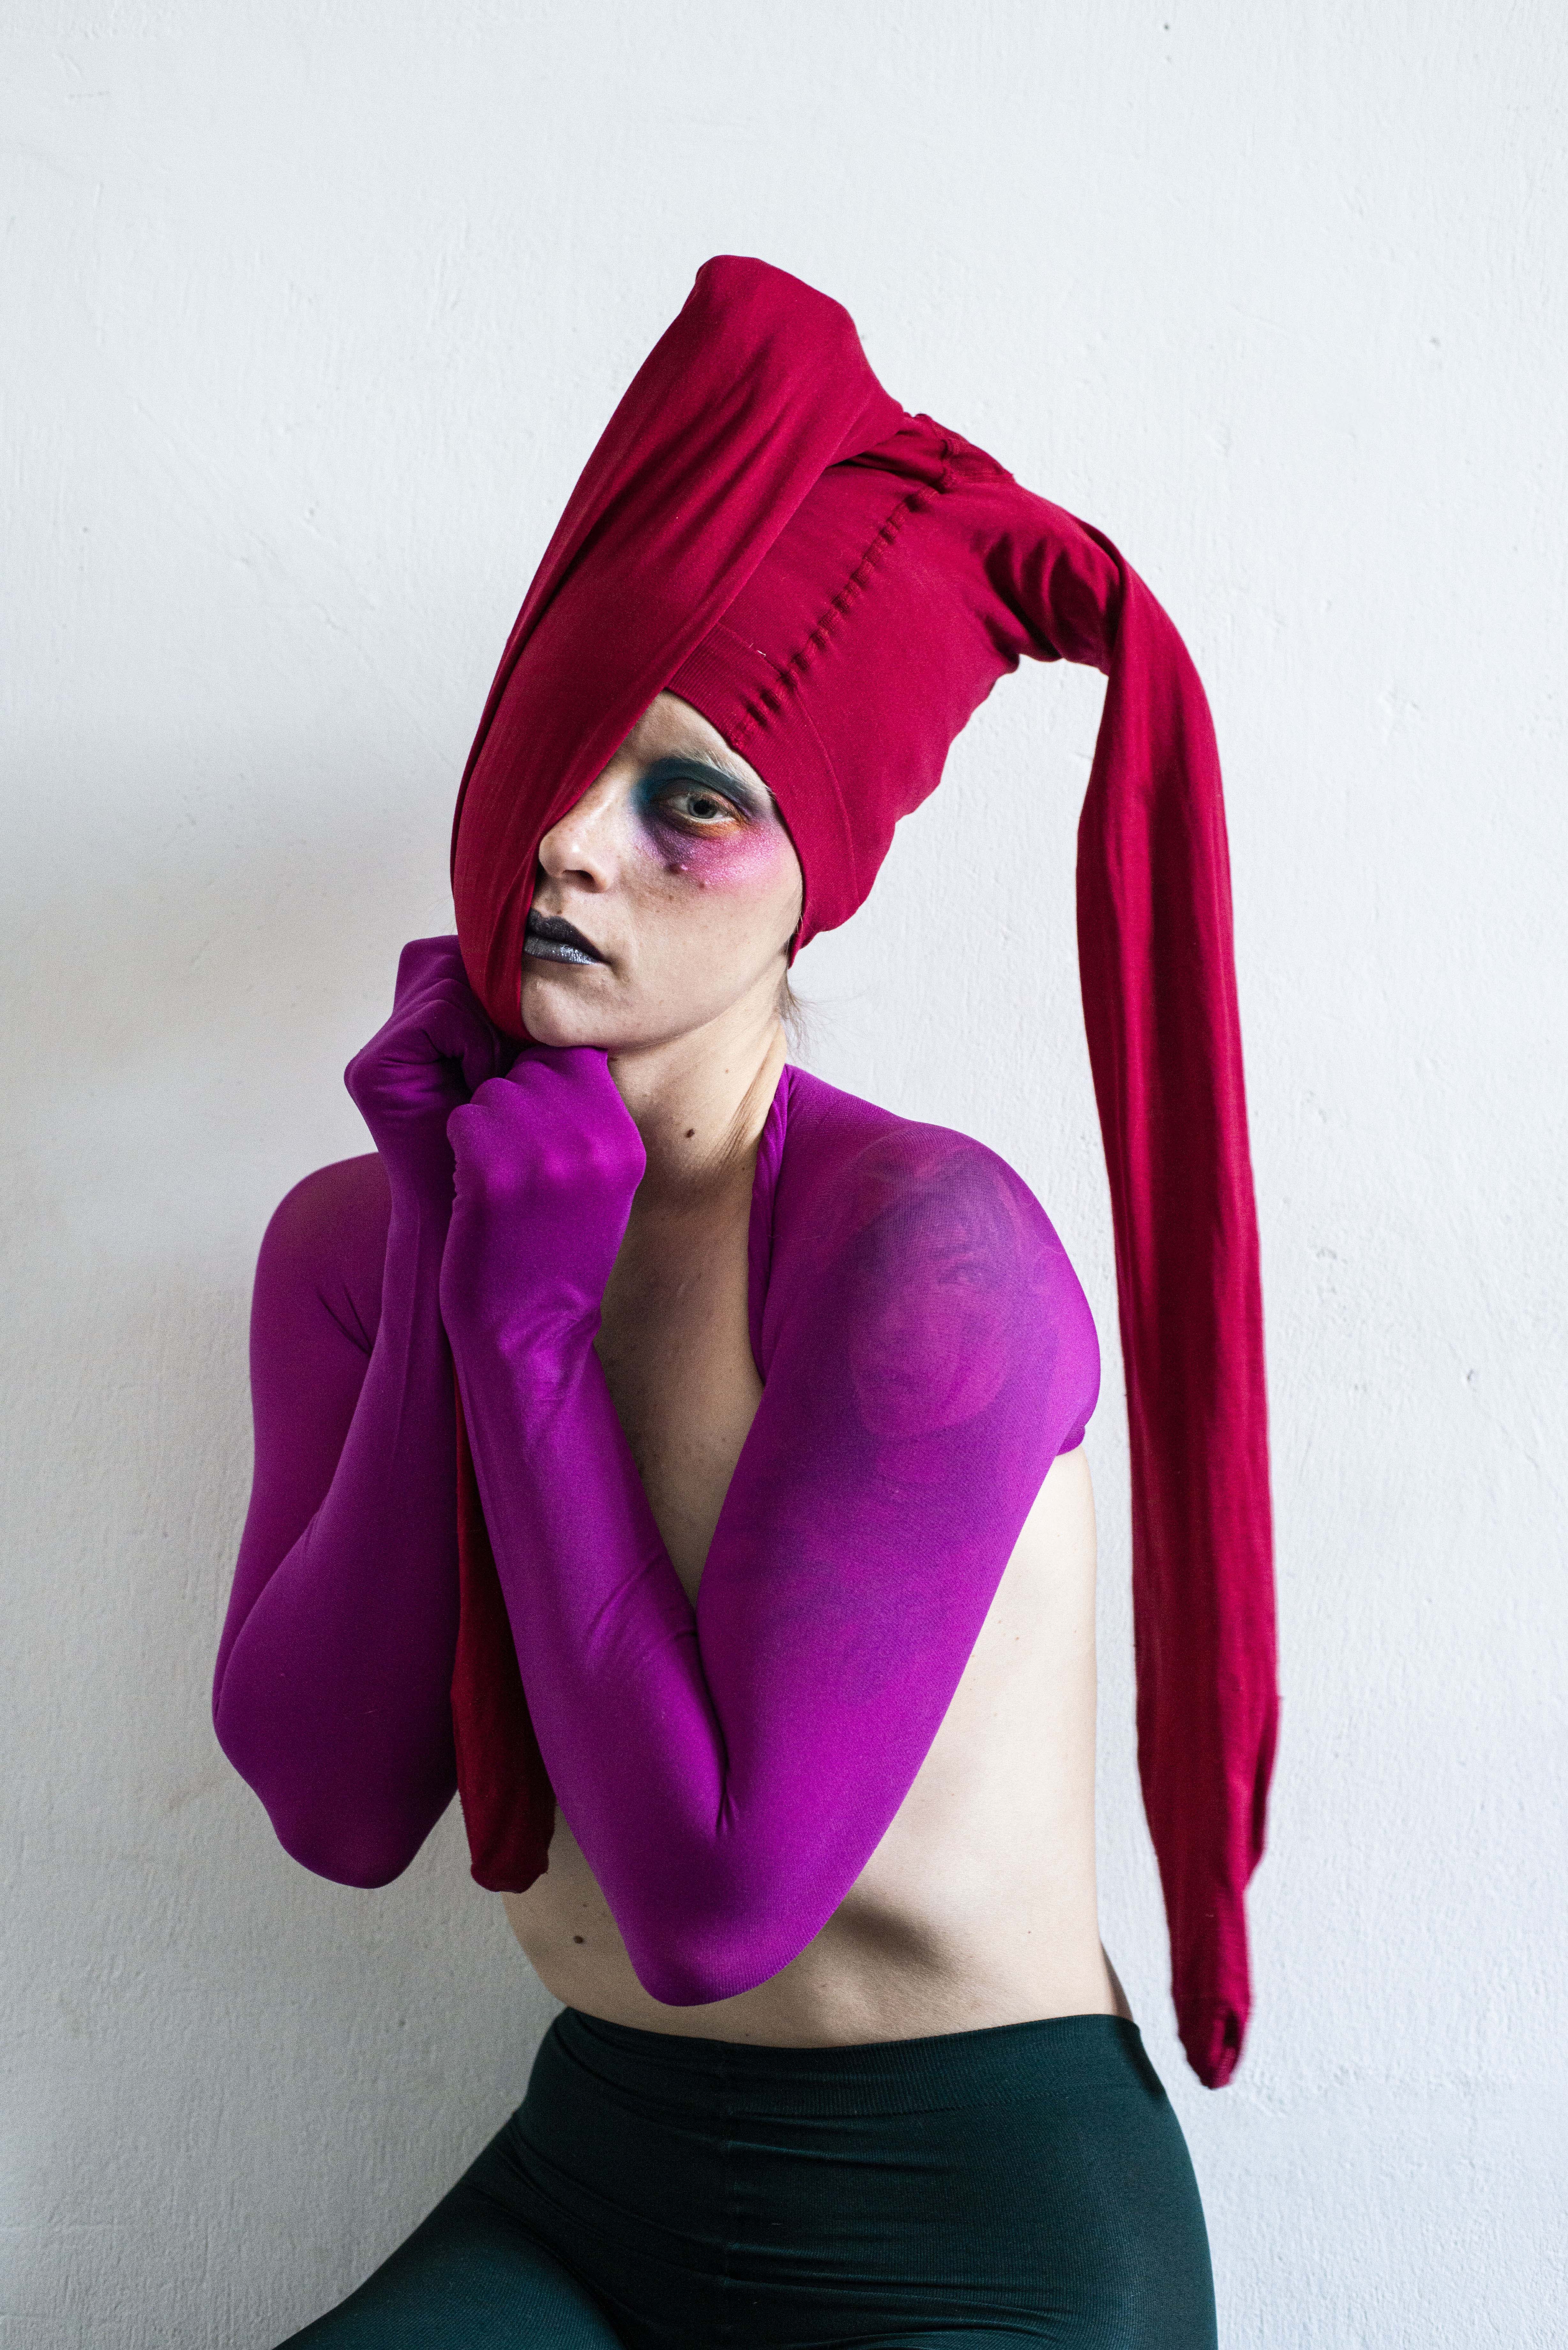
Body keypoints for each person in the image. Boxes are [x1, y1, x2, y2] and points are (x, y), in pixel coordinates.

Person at [213, 258, 1277, 2347]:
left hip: (976, 2223)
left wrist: (530, 1342)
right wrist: (439, 1241)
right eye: (565, 754)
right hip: (595, 2172)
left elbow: (713, 1905)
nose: (572, 848)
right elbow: (336, 1805)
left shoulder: (926, 1260)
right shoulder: (352, 1245)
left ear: (818, 880)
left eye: (691, 805)